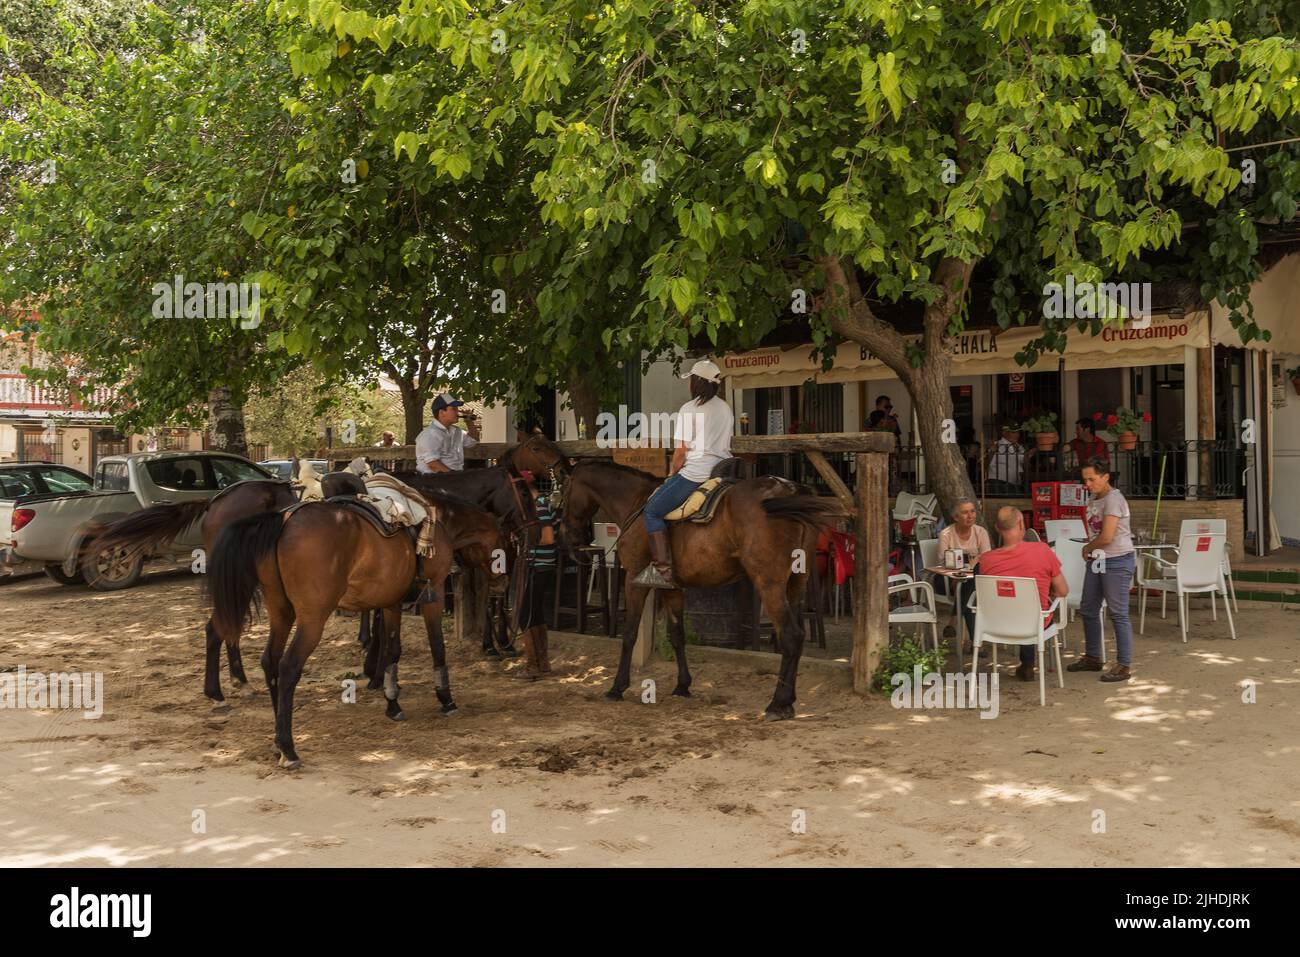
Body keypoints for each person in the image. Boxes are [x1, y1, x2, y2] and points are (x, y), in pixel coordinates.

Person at [634, 359, 733, 588]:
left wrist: (671, 473)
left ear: (697, 383)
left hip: (696, 472)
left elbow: (681, 452)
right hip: (724, 470)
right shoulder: (725, 408)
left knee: (651, 510)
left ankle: (664, 572)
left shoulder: (690, 409)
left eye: (692, 380)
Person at [976, 506, 1069, 681]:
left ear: (997, 528)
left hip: (997, 623)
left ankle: (1026, 664)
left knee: (1017, 606)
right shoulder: (1042, 551)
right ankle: (1028, 664)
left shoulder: (986, 560)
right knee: (1034, 609)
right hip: (1034, 625)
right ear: (1021, 523)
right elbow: (1063, 591)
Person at [1068, 458, 1136, 682]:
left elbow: (1106, 536)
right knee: (1088, 608)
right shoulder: (1094, 498)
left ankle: (1124, 665)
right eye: (1084, 479)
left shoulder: (1114, 499)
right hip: (1098, 559)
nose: (1087, 483)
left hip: (1117, 560)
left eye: (1091, 479)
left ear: (1106, 477)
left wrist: (1088, 546)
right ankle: (1093, 657)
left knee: (1118, 613)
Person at [515, 470, 555, 679]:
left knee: (526, 615)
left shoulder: (539, 506)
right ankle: (543, 663)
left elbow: (547, 538)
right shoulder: (540, 504)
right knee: (535, 613)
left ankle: (533, 665)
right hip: (540, 565)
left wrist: (524, 543)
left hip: (538, 564)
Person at [936, 499, 992, 647]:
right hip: (947, 580)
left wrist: (965, 567)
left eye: (972, 511)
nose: (970, 516)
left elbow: (987, 559)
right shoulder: (946, 534)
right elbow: (944, 561)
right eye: (965, 512)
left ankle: (954, 619)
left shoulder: (980, 532)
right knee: (970, 586)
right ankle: (976, 644)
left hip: (971, 580)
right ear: (956, 517)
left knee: (968, 584)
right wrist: (969, 562)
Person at [415, 393, 481, 473]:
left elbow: (474, 440)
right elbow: (433, 464)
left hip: (452, 477)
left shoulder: (457, 431)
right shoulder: (430, 434)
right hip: (433, 481)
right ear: (442, 412)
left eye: (457, 409)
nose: (457, 412)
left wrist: (469, 421)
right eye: (453, 409)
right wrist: (455, 478)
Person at [985, 422, 1025, 493]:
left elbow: (1023, 463)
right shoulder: (997, 444)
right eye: (1013, 432)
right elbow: (985, 464)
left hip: (1014, 484)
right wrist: (992, 452)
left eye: (1018, 432)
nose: (1017, 435)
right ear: (1004, 432)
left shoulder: (1019, 447)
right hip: (997, 483)